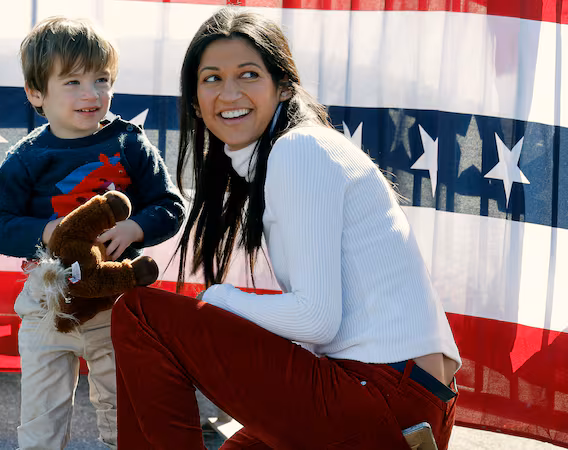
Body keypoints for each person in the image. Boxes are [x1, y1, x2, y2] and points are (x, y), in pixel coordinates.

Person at [110, 8, 461, 450]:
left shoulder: (301, 149)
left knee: (139, 313)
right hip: (401, 407)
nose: (229, 92)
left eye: (249, 74)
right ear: (195, 100)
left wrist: (217, 300)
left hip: (383, 397)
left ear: (284, 86)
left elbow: (315, 318)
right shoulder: (290, 153)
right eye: (212, 78)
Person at [0, 17, 185, 450]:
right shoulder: (25, 158)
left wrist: (135, 226)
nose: (91, 94)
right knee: (42, 415)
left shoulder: (129, 144)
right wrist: (47, 231)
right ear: (36, 93)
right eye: (72, 81)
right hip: (47, 300)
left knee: (122, 407)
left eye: (102, 80)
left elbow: (170, 206)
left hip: (116, 298)